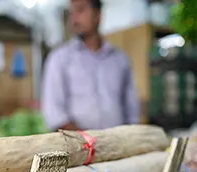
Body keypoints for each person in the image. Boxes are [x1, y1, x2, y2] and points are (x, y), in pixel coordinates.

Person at [41, 0, 140, 131]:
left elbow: (131, 109)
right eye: (72, 13)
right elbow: (54, 112)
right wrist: (87, 142)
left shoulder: (120, 59)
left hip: (118, 145)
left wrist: (128, 138)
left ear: (98, 15)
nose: (74, 18)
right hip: (77, 146)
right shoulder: (59, 58)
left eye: (80, 10)